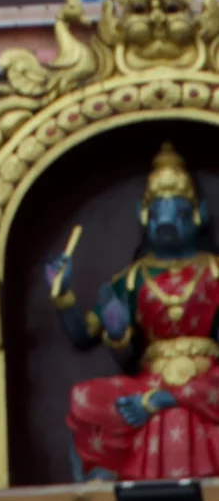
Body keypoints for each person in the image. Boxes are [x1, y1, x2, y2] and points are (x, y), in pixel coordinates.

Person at [47, 144, 219, 479]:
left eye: (180, 214)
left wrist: (174, 395)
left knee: (172, 409)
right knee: (84, 399)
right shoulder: (130, 280)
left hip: (206, 379)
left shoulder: (214, 272)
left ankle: (167, 402)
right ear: (143, 215)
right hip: (148, 381)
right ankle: (97, 499)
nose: (167, 224)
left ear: (199, 214)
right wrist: (63, 296)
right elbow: (83, 335)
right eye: (157, 215)